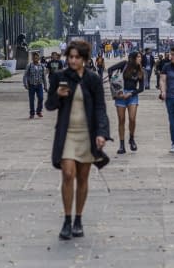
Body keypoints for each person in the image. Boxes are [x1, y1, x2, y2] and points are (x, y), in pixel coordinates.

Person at [45, 41, 110, 240]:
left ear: (84, 59)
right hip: (67, 134)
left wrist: (102, 132)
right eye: (70, 57)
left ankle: (78, 219)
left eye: (76, 57)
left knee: (82, 178)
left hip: (87, 135)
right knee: (67, 174)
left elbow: (100, 107)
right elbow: (49, 105)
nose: (72, 60)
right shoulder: (59, 77)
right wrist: (57, 95)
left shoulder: (93, 79)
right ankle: (66, 219)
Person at [107, 52, 144, 154]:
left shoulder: (140, 70)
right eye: (138, 57)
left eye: (141, 57)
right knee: (121, 120)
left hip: (132, 95)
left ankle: (131, 139)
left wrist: (131, 94)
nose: (140, 58)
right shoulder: (124, 64)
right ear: (133, 58)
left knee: (132, 119)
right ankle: (122, 145)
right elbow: (110, 70)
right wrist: (113, 84)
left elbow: (141, 88)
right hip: (120, 95)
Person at [23, 52, 46, 119]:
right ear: (32, 58)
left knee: (41, 98)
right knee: (32, 100)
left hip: (39, 85)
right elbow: (25, 75)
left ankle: (38, 111)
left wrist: (45, 86)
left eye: (37, 57)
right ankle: (32, 113)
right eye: (34, 57)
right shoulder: (29, 65)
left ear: (39, 58)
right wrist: (25, 84)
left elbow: (43, 76)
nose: (36, 58)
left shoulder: (41, 66)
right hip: (31, 85)